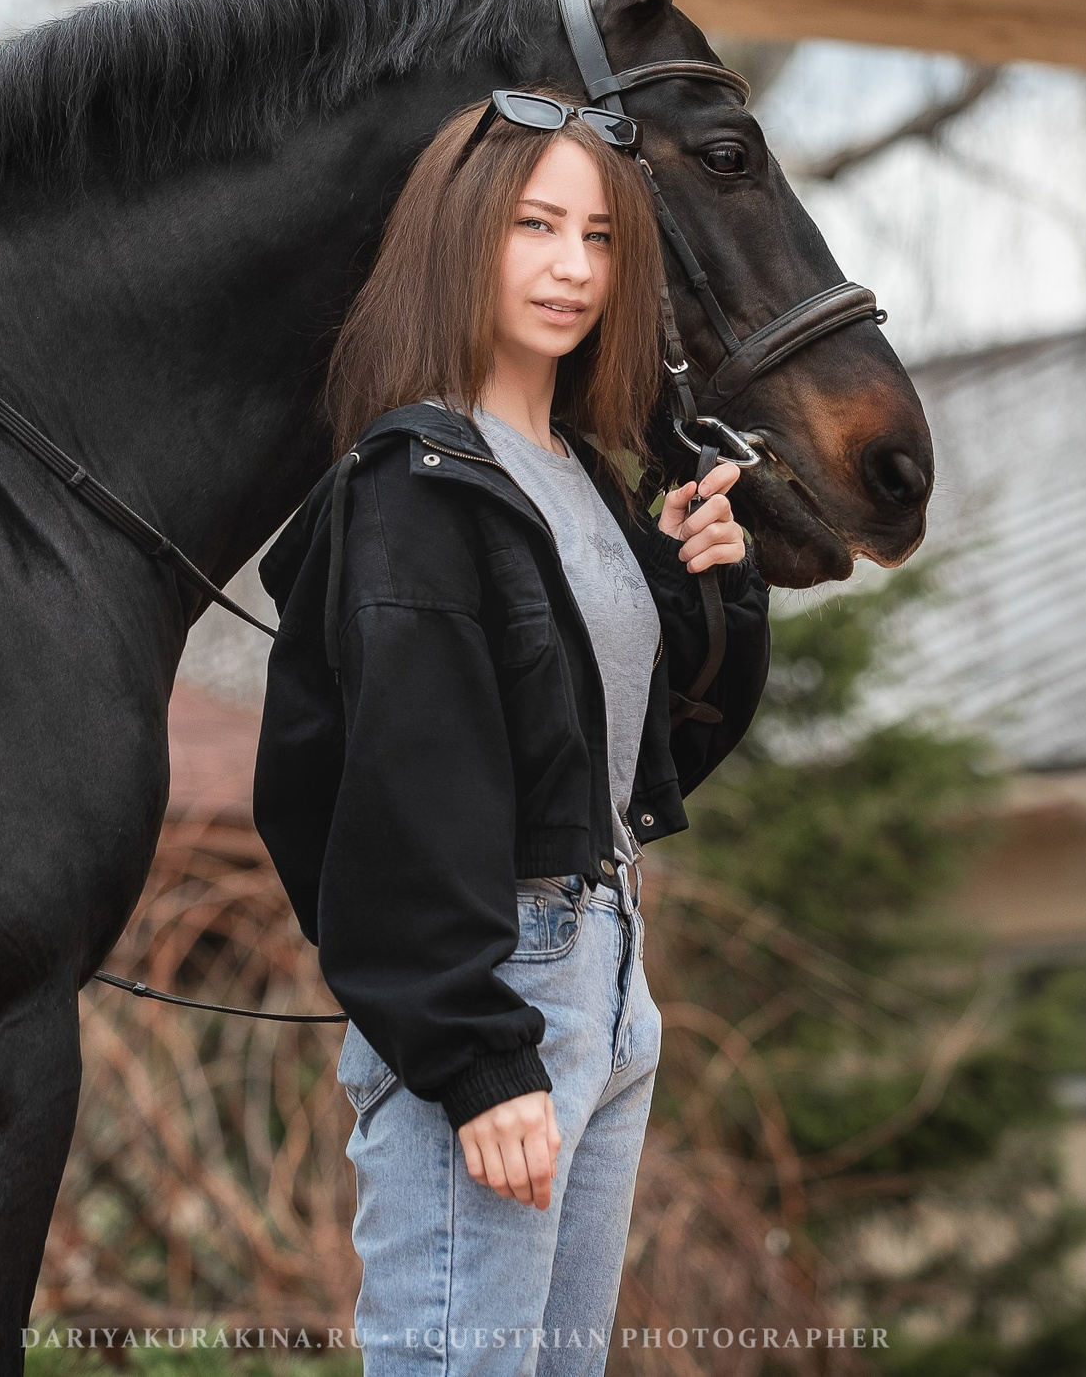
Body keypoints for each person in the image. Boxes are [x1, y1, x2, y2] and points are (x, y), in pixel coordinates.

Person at [250, 89, 772, 1375]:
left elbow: (628, 757)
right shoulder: (417, 481)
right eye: (535, 225)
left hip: (606, 971)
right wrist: (474, 1055)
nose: (570, 267)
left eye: (598, 237)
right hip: (497, 983)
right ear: (460, 236)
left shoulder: (580, 481)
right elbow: (395, 791)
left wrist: (709, 587)